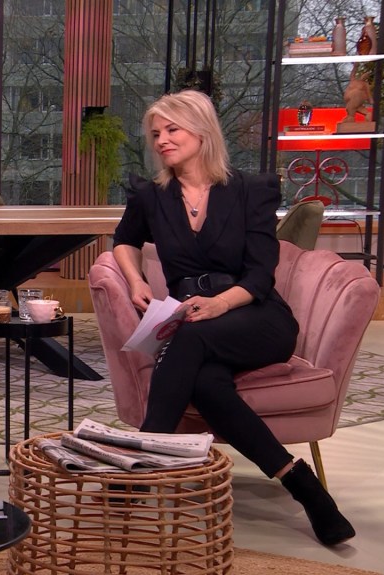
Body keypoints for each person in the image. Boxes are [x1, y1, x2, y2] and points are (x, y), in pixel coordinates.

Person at [111, 90, 355, 547]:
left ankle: (140, 462)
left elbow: (261, 273)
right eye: (156, 133)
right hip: (193, 317)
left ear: (202, 131)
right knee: (205, 383)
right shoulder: (151, 195)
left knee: (189, 339)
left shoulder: (250, 190)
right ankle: (303, 485)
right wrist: (135, 279)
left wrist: (220, 304)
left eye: (172, 129)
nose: (162, 140)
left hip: (254, 315)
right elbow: (123, 239)